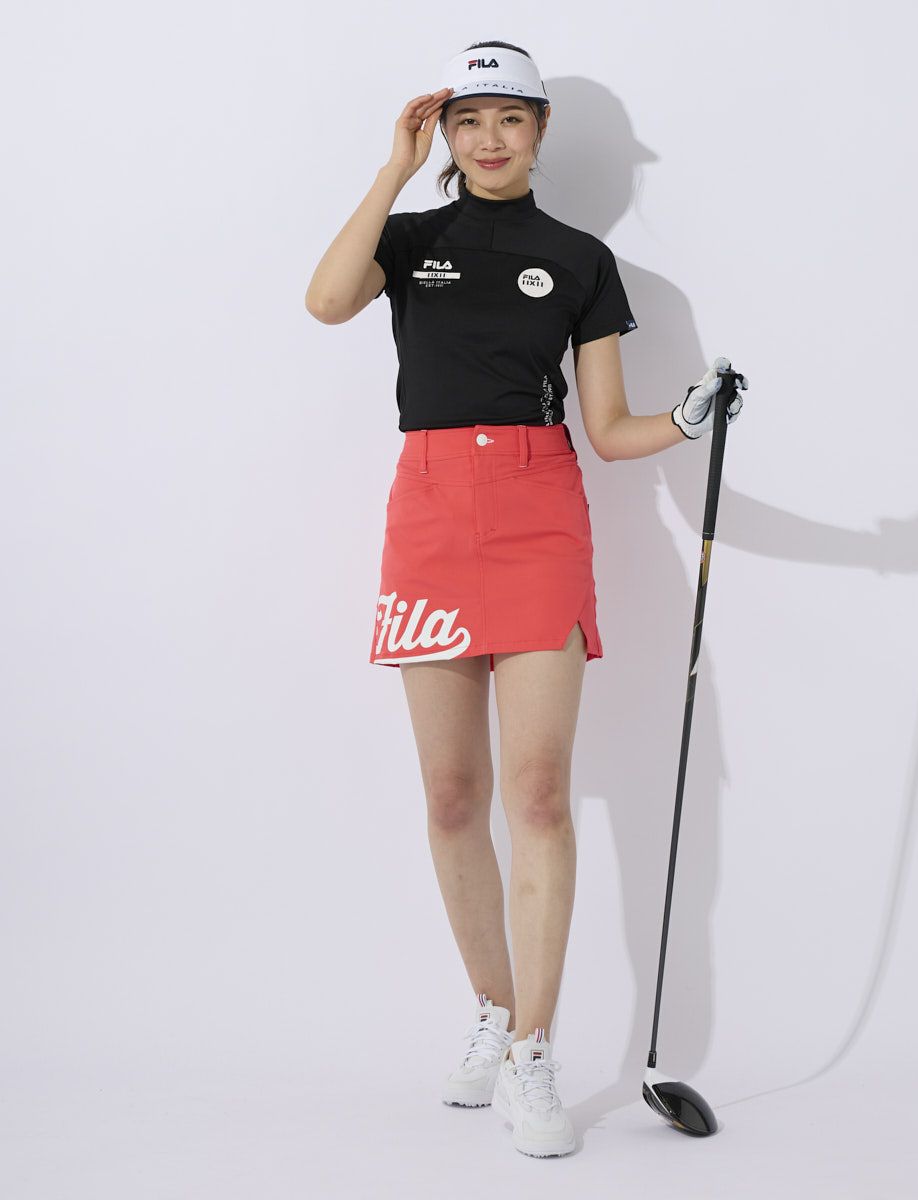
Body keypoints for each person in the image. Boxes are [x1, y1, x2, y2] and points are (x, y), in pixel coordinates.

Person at [305, 40, 746, 1159]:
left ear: (541, 133)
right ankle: (494, 1013)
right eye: (468, 121)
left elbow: (607, 431)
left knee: (538, 793)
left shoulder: (580, 261)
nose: (489, 139)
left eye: (510, 118)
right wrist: (391, 170)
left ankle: (534, 1052)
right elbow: (325, 302)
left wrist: (686, 418)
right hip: (429, 513)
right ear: (445, 136)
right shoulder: (410, 237)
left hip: (538, 512)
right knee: (454, 795)